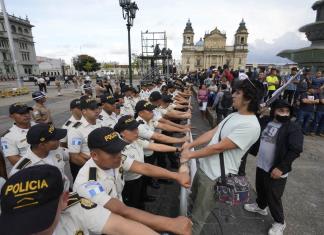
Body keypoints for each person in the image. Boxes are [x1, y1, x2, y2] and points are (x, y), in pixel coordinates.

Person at [180, 79, 265, 235]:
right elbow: (212, 133)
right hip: (204, 168)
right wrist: (190, 146)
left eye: (238, 93)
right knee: (192, 202)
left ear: (248, 99)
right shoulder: (234, 115)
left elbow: (218, 147)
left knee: (198, 216)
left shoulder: (251, 125)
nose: (233, 95)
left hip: (215, 176)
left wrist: (190, 155)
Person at [73, 127, 192, 235]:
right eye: (112, 152)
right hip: (104, 228)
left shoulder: (113, 160)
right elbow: (121, 210)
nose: (119, 155)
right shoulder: (88, 182)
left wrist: (176, 176)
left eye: (119, 149)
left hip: (119, 217)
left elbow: (143, 167)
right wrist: (170, 224)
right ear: (94, 155)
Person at [0, 165, 158, 235]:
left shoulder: (77, 207)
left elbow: (121, 226)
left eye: (39, 218)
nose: (31, 230)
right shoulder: (87, 180)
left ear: (64, 200)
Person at [244, 100, 303, 235]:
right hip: (262, 164)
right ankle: (260, 206)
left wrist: (282, 167)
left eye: (287, 111)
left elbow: (295, 150)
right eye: (281, 111)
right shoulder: (267, 121)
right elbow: (254, 124)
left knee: (274, 196)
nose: (284, 114)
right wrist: (260, 112)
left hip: (277, 168)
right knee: (261, 188)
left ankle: (280, 222)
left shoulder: (293, 127)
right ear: (274, 111)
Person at [114, 116, 189, 208]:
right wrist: (176, 175)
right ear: (122, 133)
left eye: (136, 128)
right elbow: (144, 168)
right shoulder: (118, 150)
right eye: (132, 130)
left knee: (140, 198)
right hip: (129, 183)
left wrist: (178, 149)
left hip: (139, 177)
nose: (136, 132)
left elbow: (156, 147)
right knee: (132, 205)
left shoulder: (135, 140)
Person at [67, 97, 102, 181]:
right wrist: (94, 169)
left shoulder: (100, 122)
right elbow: (74, 156)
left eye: (97, 107)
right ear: (84, 111)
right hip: (89, 169)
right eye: (92, 109)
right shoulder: (76, 130)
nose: (97, 110)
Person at [1, 103, 33, 173]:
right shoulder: (7, 137)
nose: (26, 115)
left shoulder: (40, 126)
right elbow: (14, 160)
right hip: (29, 172)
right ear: (12, 116)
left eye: (27, 112)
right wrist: (39, 163)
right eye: (21, 113)